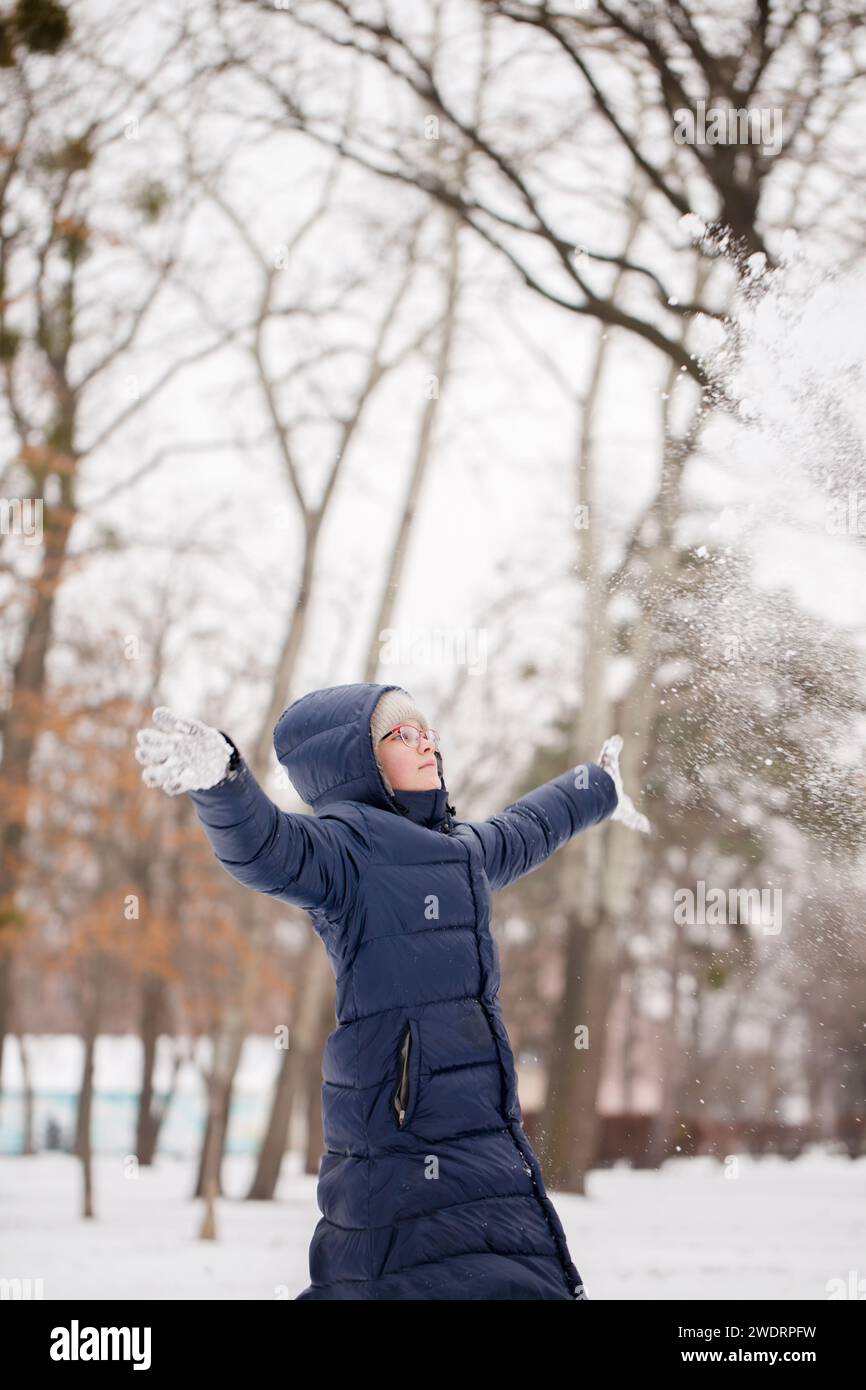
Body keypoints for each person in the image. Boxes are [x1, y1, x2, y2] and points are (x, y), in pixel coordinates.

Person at [135, 682, 650, 1299]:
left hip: (481, 1125)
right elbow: (265, 846)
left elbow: (530, 826)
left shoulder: (463, 852)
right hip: (400, 1126)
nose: (425, 742)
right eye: (401, 734)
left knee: (506, 1269)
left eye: (427, 730)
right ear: (360, 765)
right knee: (406, 1272)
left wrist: (598, 788)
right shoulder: (345, 850)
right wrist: (222, 780)